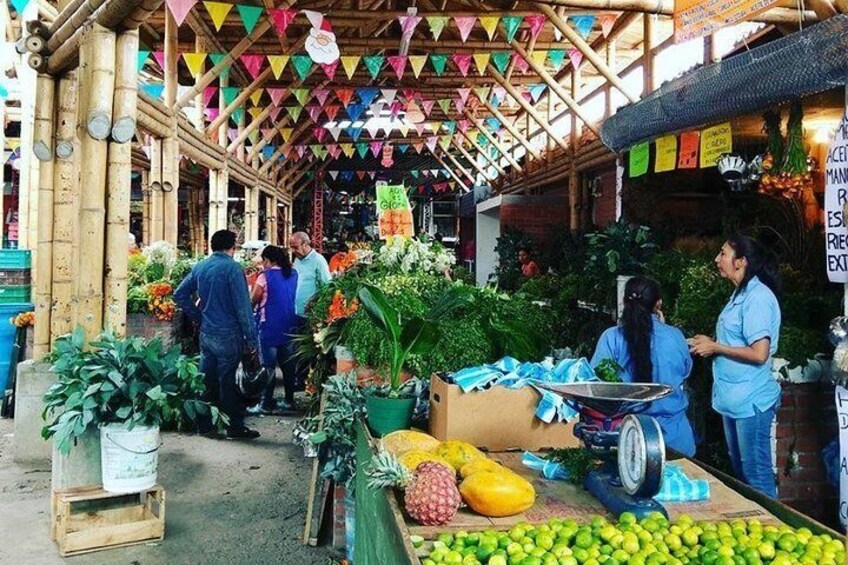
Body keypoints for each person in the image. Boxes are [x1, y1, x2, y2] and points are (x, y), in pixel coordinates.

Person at [689, 235, 782, 497]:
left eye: (723, 254)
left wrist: (716, 347)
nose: (717, 259)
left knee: (756, 473)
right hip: (733, 399)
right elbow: (736, 339)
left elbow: (759, 353)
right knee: (742, 472)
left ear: (741, 261)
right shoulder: (740, 293)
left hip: (751, 399)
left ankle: (773, 530)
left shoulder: (758, 298)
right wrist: (706, 342)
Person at [591, 276, 696, 457]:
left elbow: (598, 383)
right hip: (677, 442)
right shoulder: (676, 336)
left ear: (625, 302)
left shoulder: (612, 338)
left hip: (630, 443)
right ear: (658, 304)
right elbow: (685, 371)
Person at [174, 230, 260, 440]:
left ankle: (205, 426)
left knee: (207, 380)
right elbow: (243, 308)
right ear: (233, 247)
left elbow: (179, 294)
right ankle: (235, 427)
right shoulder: (233, 269)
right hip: (229, 335)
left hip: (207, 333)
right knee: (228, 382)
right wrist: (252, 339)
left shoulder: (200, 267)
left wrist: (198, 316)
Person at [247, 245, 299, 415]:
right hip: (290, 324)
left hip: (269, 325)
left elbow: (253, 300)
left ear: (270, 260)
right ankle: (289, 400)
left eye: (264, 261)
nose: (263, 264)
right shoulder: (293, 274)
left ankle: (265, 403)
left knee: (268, 366)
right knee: (288, 365)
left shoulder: (264, 277)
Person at [288, 232, 331, 397]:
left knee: (308, 350)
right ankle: (299, 379)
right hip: (296, 312)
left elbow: (327, 287)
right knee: (297, 349)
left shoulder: (318, 260)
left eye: (295, 247)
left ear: (306, 244)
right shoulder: (297, 260)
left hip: (310, 316)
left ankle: (307, 381)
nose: (293, 251)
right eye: (291, 247)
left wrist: (315, 301)